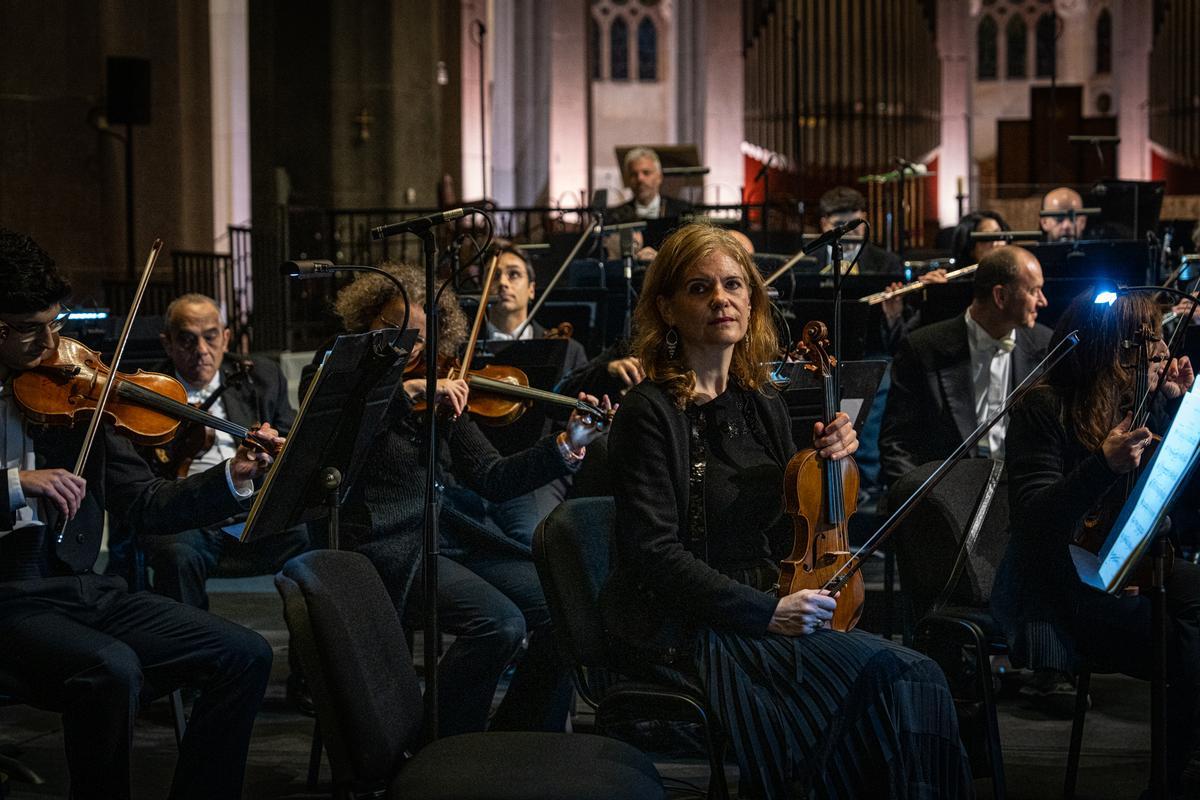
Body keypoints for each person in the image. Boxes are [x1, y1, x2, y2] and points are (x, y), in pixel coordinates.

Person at [601, 223, 972, 799]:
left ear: (752, 301)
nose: (721, 299)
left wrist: (834, 461)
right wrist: (767, 613)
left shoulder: (761, 400)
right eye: (700, 288)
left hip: (772, 600)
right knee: (900, 679)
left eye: (733, 285)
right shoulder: (649, 412)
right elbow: (654, 554)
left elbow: (795, 519)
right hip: (693, 623)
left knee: (910, 680)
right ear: (667, 308)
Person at [0, 229, 276, 799]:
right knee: (113, 668)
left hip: (80, 587)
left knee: (244, 653)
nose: (50, 343)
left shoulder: (79, 394)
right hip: (7, 594)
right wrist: (15, 484)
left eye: (55, 323)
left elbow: (146, 504)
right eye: (30, 328)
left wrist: (233, 476)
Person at [307, 262, 612, 736]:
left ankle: (521, 736)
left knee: (565, 608)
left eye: (420, 339)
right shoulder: (336, 372)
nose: (407, 346)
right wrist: (407, 392)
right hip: (386, 543)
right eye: (393, 328)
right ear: (366, 320)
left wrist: (567, 444)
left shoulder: (439, 390)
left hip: (447, 536)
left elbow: (493, 476)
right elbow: (335, 434)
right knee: (500, 625)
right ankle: (438, 742)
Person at [991, 290, 1200, 798]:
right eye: (1149, 345)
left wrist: (1175, 409)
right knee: (1188, 644)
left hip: (1133, 565)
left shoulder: (1139, 401)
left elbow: (1170, 499)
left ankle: (1178, 773)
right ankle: (1174, 779)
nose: (1162, 355)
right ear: (1112, 350)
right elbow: (1035, 523)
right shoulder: (1044, 405)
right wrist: (1101, 466)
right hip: (1061, 584)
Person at [115, 294, 308, 610]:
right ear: (168, 344)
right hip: (186, 518)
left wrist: (274, 448)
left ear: (226, 338)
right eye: (187, 340)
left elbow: (291, 440)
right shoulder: (143, 392)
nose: (202, 350)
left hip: (250, 512)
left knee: (313, 535)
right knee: (176, 555)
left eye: (211, 337)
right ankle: (191, 637)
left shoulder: (259, 376)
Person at [880, 245, 1052, 488]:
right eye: (1034, 291)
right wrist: (926, 502)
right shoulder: (922, 349)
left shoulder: (1047, 346)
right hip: (944, 494)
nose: (1043, 301)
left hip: (1018, 494)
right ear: (1000, 296)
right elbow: (897, 445)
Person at [815, 186, 901, 274]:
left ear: (864, 219)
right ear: (824, 224)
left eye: (854, 224)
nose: (848, 232)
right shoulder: (807, 260)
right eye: (839, 224)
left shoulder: (888, 263)